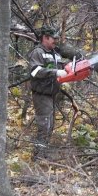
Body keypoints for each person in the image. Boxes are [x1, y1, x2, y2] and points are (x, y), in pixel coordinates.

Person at [28, 26, 69, 160]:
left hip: (52, 94)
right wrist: (55, 72)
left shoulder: (56, 54)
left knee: (50, 125)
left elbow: (62, 70)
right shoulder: (38, 52)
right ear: (45, 38)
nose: (55, 41)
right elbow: (34, 71)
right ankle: (38, 155)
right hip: (41, 94)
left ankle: (43, 152)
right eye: (53, 38)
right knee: (44, 124)